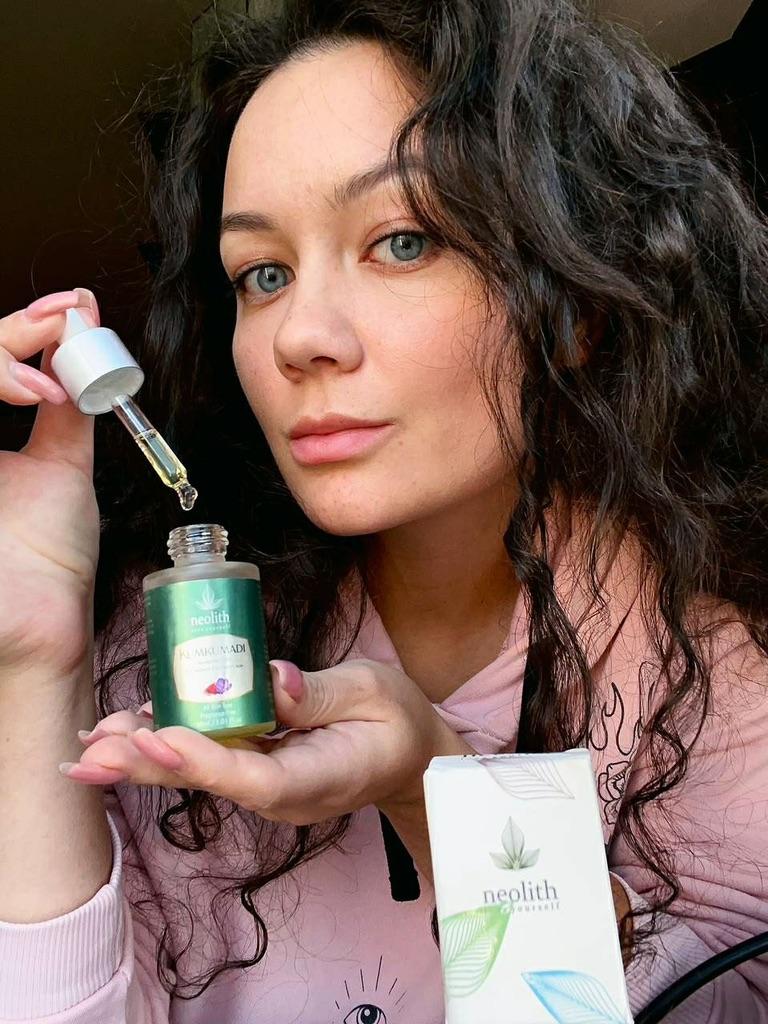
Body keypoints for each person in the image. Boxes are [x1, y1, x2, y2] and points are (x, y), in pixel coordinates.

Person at [1, 0, 767, 1021]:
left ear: (577, 301)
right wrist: (35, 658)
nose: (298, 336)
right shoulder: (177, 645)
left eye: (402, 242)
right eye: (263, 274)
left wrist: (432, 786)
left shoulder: (716, 678)